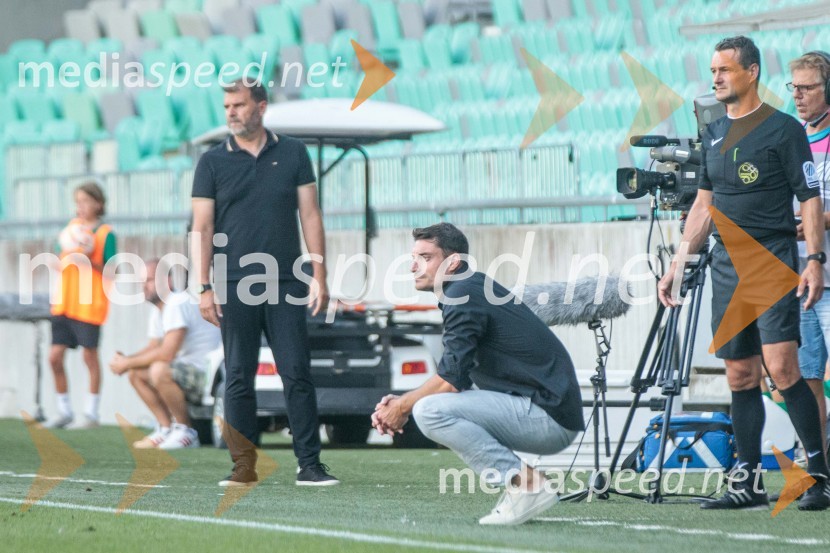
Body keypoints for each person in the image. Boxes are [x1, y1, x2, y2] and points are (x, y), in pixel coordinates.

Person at [658, 36, 830, 510]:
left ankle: (820, 474)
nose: (716, 78)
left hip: (773, 261)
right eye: (713, 70)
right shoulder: (712, 133)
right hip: (725, 267)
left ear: (751, 73)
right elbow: (704, 204)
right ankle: (748, 483)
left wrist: (814, 259)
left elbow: (810, 198)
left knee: (782, 368)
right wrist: (679, 262)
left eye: (725, 70)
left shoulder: (783, 129)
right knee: (738, 376)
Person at [372, 223, 584, 525]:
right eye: (413, 257)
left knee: (429, 411)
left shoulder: (463, 293)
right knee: (426, 405)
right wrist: (402, 402)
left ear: (452, 262)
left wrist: (403, 406)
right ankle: (524, 485)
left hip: (548, 419)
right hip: (544, 412)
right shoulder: (467, 288)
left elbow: (450, 380)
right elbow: (455, 377)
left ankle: (525, 484)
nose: (413, 266)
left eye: (425, 257)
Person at [191, 78, 338, 487]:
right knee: (239, 374)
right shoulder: (211, 162)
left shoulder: (293, 153)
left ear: (261, 106)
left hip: (288, 281)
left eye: (239, 105)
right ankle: (243, 466)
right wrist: (203, 286)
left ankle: (309, 464)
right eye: (226, 106)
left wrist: (319, 275)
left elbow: (310, 216)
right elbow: (201, 228)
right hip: (234, 283)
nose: (231, 113)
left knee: (297, 372)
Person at [109, 259, 221, 449]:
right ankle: (166, 428)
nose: (144, 286)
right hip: (186, 372)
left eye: (150, 280)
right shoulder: (160, 309)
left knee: (159, 370)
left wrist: (127, 363)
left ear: (167, 281)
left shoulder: (177, 302)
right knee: (137, 373)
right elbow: (153, 347)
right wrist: (127, 361)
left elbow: (167, 353)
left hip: (206, 375)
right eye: (142, 282)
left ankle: (186, 431)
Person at [47, 181, 116, 429]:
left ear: (98, 203)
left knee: (89, 357)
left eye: (86, 201)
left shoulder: (106, 233)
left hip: (89, 303)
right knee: (54, 357)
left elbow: (112, 270)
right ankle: (64, 411)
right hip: (64, 302)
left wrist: (89, 260)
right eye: (78, 202)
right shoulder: (71, 230)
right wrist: (65, 258)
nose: (82, 207)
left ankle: (91, 413)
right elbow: (57, 259)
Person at [790, 51, 830, 457]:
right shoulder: (793, 138)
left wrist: (819, 220)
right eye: (794, 88)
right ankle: (818, 464)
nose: (798, 96)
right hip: (799, 278)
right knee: (807, 376)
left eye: (807, 88)